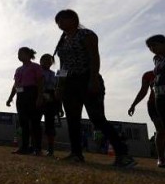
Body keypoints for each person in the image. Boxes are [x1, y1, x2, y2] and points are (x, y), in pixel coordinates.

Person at [53, 9, 136, 167]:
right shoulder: (62, 41)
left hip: (87, 79)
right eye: (57, 22)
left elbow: (94, 56)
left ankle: (123, 154)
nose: (59, 24)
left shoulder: (86, 35)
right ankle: (76, 153)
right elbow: (63, 65)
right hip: (69, 84)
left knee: (97, 118)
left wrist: (93, 78)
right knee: (72, 120)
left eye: (62, 20)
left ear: (73, 19)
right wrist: (59, 85)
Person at [128, 61, 165, 167]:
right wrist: (133, 104)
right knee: (161, 130)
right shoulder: (148, 75)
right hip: (154, 104)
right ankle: (161, 159)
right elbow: (143, 91)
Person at [6, 47, 44, 155]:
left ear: (27, 54)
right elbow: (15, 85)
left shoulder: (36, 67)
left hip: (32, 93)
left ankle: (37, 148)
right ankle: (24, 147)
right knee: (23, 122)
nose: (18, 56)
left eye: (20, 53)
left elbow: (40, 81)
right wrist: (10, 98)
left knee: (35, 122)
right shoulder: (18, 69)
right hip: (21, 95)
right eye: (18, 54)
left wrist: (40, 96)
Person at [147, 35, 165, 165]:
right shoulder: (159, 60)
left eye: (154, 45)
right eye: (150, 47)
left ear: (164, 43)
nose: (152, 49)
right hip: (161, 98)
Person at [39, 53, 62, 157]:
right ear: (41, 60)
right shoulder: (36, 71)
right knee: (35, 123)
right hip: (38, 96)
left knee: (50, 125)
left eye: (50, 60)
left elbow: (57, 90)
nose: (48, 62)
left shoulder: (55, 74)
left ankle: (51, 150)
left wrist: (59, 106)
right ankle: (36, 147)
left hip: (51, 99)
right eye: (45, 60)